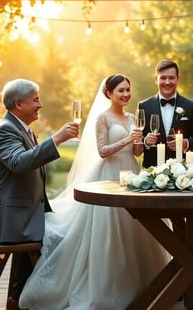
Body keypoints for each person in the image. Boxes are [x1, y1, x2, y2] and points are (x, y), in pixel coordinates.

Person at [19, 74, 169, 310]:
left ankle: (145, 285)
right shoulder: (102, 118)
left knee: (135, 227)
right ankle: (107, 286)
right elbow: (102, 151)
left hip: (129, 174)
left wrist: (144, 141)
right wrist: (127, 139)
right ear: (109, 93)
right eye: (121, 90)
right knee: (108, 227)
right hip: (107, 175)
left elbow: (136, 151)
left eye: (128, 89)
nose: (126, 94)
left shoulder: (132, 117)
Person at [0, 78, 79, 310]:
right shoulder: (5, 129)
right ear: (19, 103)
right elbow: (18, 163)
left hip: (23, 214)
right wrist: (56, 139)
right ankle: (36, 299)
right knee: (66, 239)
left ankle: (20, 298)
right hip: (12, 222)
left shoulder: (19, 127)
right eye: (36, 100)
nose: (40, 105)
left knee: (69, 228)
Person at [138, 59, 193, 168]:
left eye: (171, 78)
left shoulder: (192, 106)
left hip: (183, 172)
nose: (167, 82)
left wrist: (185, 143)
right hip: (152, 170)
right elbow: (137, 140)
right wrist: (146, 141)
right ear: (156, 79)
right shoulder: (144, 106)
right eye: (163, 78)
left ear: (178, 79)